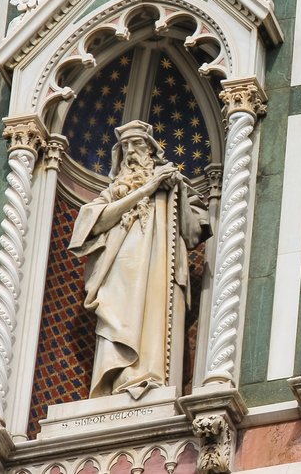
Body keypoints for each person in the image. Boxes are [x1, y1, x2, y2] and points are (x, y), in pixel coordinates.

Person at [69, 120, 210, 398]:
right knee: (116, 321)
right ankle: (118, 382)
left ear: (151, 150)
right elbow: (92, 224)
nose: (131, 151)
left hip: (159, 267)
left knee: (154, 319)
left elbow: (194, 234)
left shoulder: (172, 185)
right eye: (125, 146)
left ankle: (149, 378)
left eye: (138, 145)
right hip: (118, 273)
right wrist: (145, 190)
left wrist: (177, 191)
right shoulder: (112, 193)